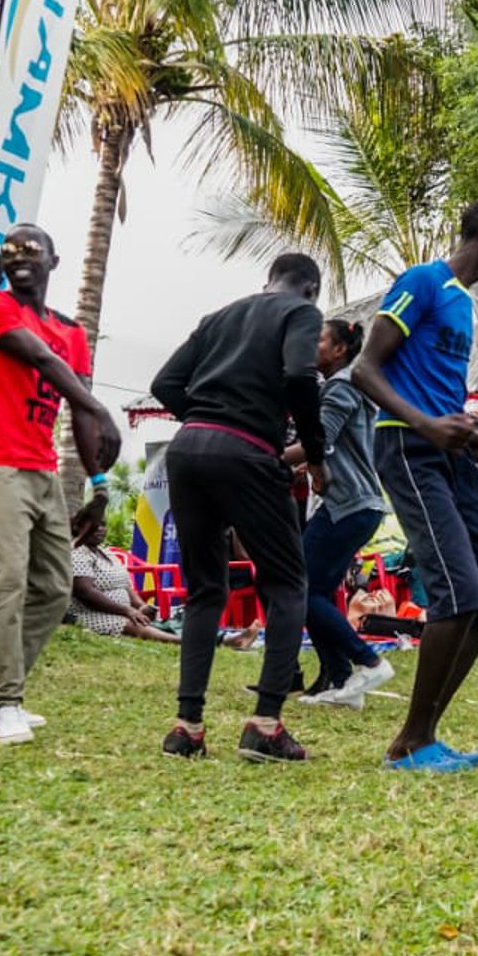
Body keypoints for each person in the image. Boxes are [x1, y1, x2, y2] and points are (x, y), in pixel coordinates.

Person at [353, 197, 478, 773]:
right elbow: (364, 369)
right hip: (407, 444)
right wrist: (425, 424)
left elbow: (439, 394)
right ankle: (408, 742)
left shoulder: (465, 305)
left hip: (449, 454)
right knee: (456, 593)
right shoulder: (424, 281)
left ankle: (425, 734)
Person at [150, 252, 329, 762]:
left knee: (206, 590)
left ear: (267, 279)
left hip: (186, 448)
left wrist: (208, 419)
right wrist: (313, 455)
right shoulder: (301, 313)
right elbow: (299, 376)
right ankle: (265, 724)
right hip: (247, 453)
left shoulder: (220, 316)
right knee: (289, 582)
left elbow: (165, 383)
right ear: (311, 289)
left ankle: (187, 727)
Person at [0, 225, 120, 746]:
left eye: (32, 249)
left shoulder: (71, 331)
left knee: (52, 587)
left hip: (44, 470)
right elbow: (43, 362)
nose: (20, 256)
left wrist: (97, 483)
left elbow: (77, 404)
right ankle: (5, 701)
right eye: (11, 250)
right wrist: (97, 406)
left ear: (54, 259)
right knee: (7, 579)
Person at [283, 319, 397, 708]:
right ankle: (344, 682)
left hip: (348, 505)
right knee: (312, 590)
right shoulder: (351, 385)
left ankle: (368, 660)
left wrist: (266, 459)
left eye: (320, 340)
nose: (313, 347)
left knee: (299, 587)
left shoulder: (341, 385)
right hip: (355, 505)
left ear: (339, 350)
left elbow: (319, 440)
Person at [66, 505, 178, 644]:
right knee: (134, 625)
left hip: (121, 611)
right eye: (94, 525)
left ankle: (185, 636)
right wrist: (127, 611)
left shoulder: (106, 553)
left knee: (152, 621)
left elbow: (125, 586)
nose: (100, 529)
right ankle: (183, 641)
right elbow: (84, 592)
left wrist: (140, 606)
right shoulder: (77, 553)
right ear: (79, 528)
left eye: (103, 525)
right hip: (91, 614)